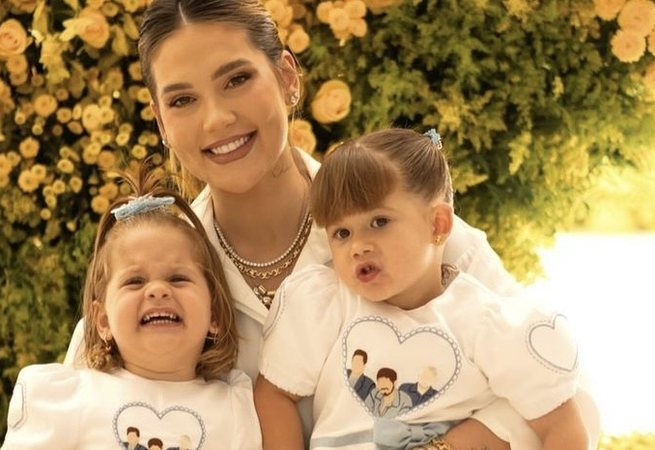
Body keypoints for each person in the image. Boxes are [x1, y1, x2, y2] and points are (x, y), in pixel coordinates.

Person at [65, 0, 600, 448]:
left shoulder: (409, 229)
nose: (216, 119)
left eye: (237, 79)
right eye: (182, 99)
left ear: (287, 77)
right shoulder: (150, 272)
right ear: (160, 120)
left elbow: (572, 400)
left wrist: (451, 444)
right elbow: (79, 417)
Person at [254, 127, 589, 450]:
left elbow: (562, 425)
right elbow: (274, 394)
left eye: (379, 222)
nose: (358, 246)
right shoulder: (326, 305)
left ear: (438, 224)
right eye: (342, 233)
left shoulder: (485, 324)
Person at [2, 168, 261, 449]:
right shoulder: (72, 397)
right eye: (135, 281)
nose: (158, 290)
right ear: (103, 321)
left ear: (215, 315)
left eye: (178, 278)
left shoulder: (233, 407)